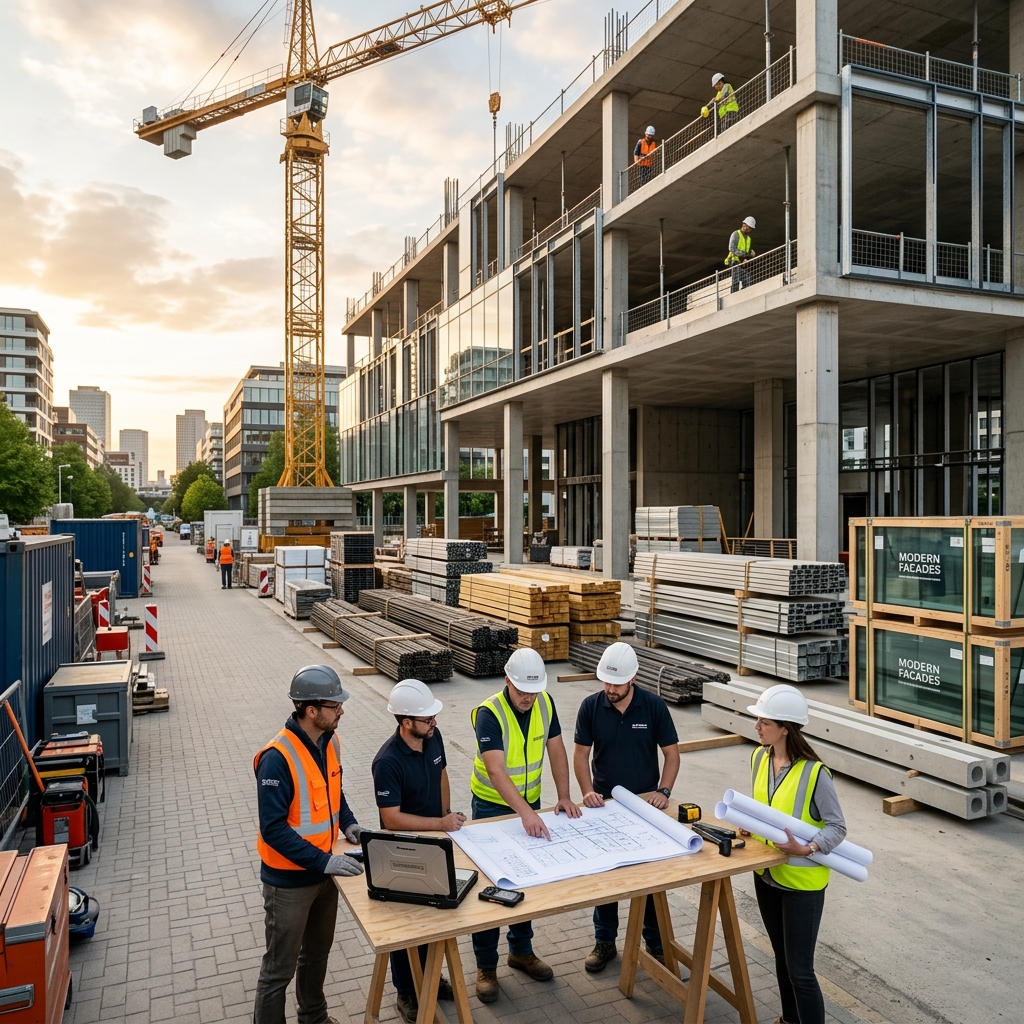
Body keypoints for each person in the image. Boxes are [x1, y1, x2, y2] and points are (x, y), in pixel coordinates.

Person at [253, 665, 365, 1024]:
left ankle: (314, 1018)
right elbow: (273, 830)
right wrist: (324, 862)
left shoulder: (330, 741)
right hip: (288, 883)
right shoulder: (277, 758)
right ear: (311, 710)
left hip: (324, 873)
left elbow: (334, 791)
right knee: (278, 970)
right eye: (335, 705)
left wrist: (349, 823)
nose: (342, 711)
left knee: (317, 955)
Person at [469, 648, 581, 1003]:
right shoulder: (489, 713)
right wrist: (525, 813)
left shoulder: (544, 703)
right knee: (491, 886)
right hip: (490, 808)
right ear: (507, 681)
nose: (528, 698)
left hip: (528, 804)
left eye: (533, 691)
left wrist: (563, 796)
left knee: (526, 879)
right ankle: (486, 965)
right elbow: (495, 770)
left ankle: (521, 951)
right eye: (522, 692)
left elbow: (557, 750)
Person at [742, 684, 847, 1024]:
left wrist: (808, 848)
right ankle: (788, 1020)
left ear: (785, 728)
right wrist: (750, 826)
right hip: (767, 875)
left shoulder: (815, 773)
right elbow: (765, 809)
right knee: (781, 958)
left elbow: (838, 828)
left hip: (802, 883)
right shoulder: (759, 757)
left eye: (764, 722)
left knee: (800, 970)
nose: (757, 726)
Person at [573, 642, 680, 973]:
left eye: (617, 684)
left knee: (648, 879)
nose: (610, 689)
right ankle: (604, 942)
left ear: (633, 678)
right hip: (605, 804)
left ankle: (655, 943)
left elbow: (672, 754)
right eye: (606, 682)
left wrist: (663, 791)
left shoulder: (653, 706)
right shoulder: (591, 707)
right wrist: (587, 791)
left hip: (645, 807)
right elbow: (580, 755)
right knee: (607, 878)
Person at [371, 679, 467, 1023]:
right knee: (407, 925)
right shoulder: (387, 761)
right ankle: (407, 992)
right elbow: (391, 818)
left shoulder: (433, 737)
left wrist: (446, 817)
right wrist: (439, 824)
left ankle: (430, 978)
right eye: (427, 719)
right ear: (406, 722)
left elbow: (442, 775)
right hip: (402, 851)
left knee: (436, 915)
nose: (434, 723)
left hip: (434, 842)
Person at [726, 216, 757, 292]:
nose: (749, 230)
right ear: (744, 225)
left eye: (751, 228)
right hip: (733, 260)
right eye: (748, 227)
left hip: (740, 262)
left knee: (746, 278)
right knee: (736, 280)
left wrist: (751, 253)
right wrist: (745, 255)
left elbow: (746, 250)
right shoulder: (736, 234)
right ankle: (734, 295)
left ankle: (744, 293)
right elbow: (732, 248)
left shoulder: (748, 239)